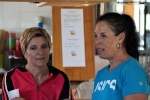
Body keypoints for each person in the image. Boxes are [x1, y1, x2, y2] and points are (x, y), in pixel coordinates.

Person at [2, 27, 72, 100]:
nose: (40, 52)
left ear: (49, 50)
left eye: (44, 47)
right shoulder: (11, 77)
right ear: (25, 53)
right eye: (33, 48)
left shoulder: (61, 78)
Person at [92, 12, 149, 100]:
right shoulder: (100, 74)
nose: (97, 41)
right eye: (95, 36)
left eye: (103, 36)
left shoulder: (132, 71)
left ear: (120, 37)